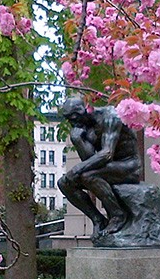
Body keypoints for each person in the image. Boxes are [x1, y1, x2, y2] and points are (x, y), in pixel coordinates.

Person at [58, 96, 142, 237]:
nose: (72, 123)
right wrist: (78, 140)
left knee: (87, 175)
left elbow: (107, 154)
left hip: (129, 165)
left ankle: (118, 215)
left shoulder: (111, 116)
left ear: (84, 111)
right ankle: (98, 220)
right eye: (69, 119)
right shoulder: (85, 129)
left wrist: (77, 168)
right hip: (107, 168)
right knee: (64, 183)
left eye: (73, 118)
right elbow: (90, 159)